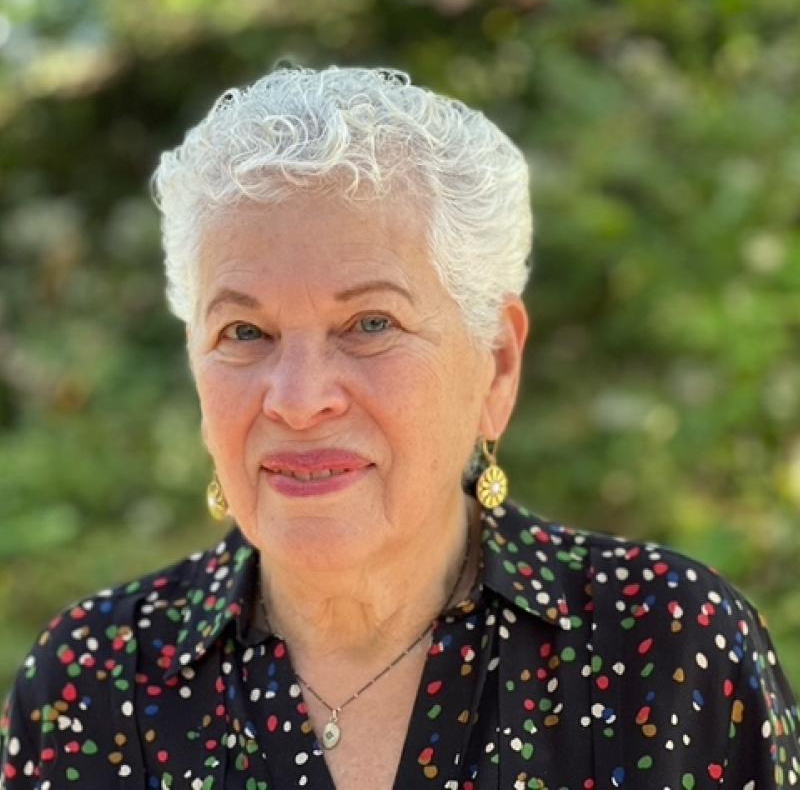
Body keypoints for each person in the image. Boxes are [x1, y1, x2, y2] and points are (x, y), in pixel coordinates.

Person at [1, 65, 798, 790]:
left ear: (496, 365)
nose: (298, 398)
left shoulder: (668, 649)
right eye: (245, 333)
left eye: (370, 323)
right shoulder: (96, 680)